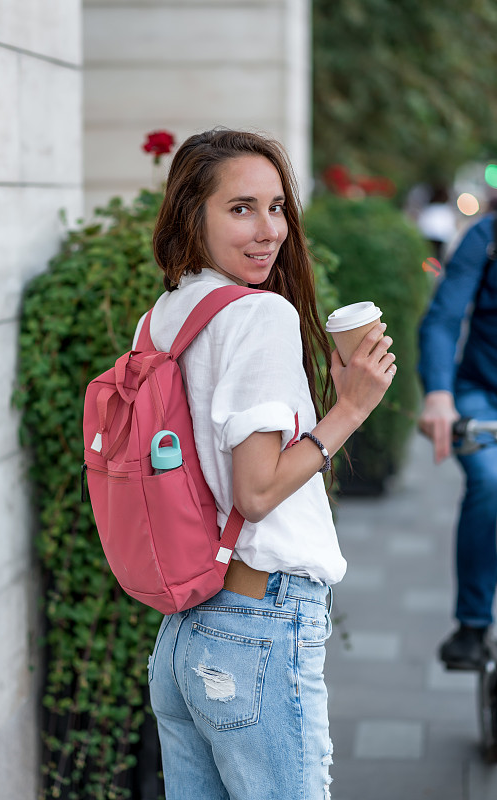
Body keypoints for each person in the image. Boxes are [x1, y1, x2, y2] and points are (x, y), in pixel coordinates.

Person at [137, 129, 396, 800]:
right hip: (256, 625)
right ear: (191, 216)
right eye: (241, 208)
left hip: (185, 634)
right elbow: (255, 492)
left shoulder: (163, 317)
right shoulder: (260, 316)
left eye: (277, 207)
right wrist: (351, 408)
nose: (269, 230)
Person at [418, 208, 497, 671]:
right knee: (490, 482)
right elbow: (445, 318)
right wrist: (440, 395)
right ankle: (472, 625)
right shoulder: (486, 237)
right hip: (480, 393)